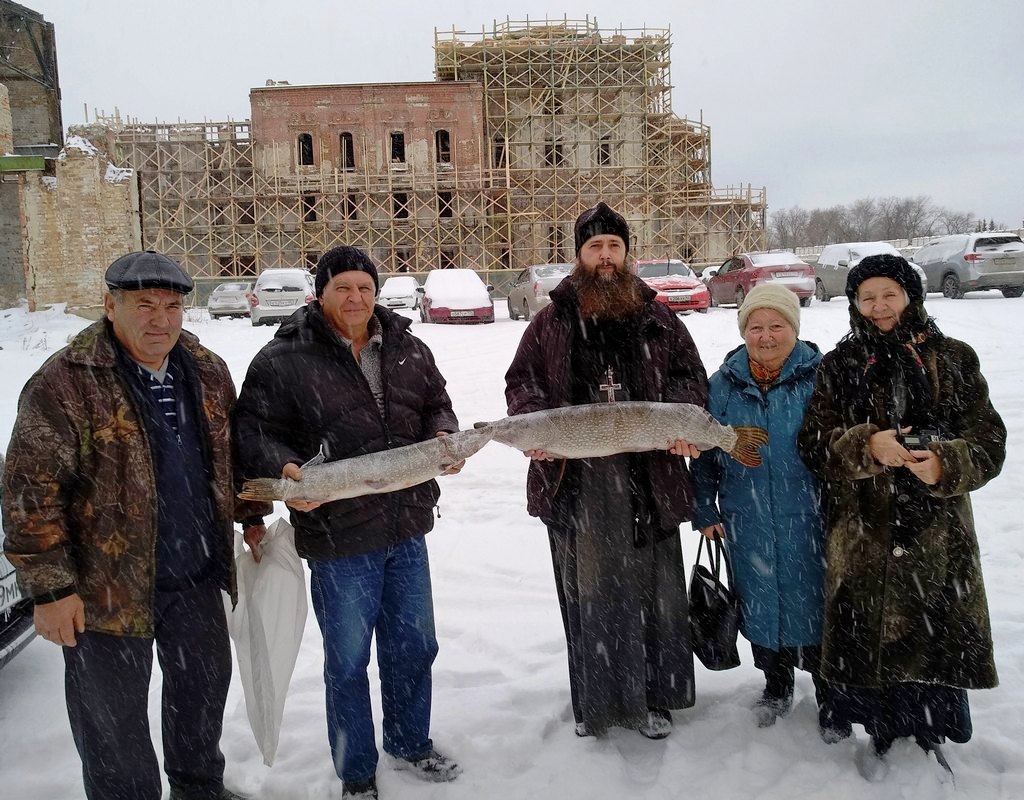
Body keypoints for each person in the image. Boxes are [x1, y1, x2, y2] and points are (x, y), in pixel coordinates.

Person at [1, 251, 271, 800]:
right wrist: (50, 590)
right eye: (144, 305)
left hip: (195, 574)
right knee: (113, 726)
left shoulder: (206, 369)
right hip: (104, 590)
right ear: (110, 305)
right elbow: (31, 493)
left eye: (171, 306)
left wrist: (251, 515)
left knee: (200, 698)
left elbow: (224, 458)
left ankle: (199, 790)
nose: (160, 319)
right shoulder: (66, 381)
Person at [233, 246, 462, 800]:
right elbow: (253, 434)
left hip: (406, 523)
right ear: (321, 293)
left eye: (364, 286)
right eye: (343, 288)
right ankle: (356, 771)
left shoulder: (408, 347)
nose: (356, 298)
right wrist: (284, 471)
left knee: (414, 645)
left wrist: (442, 436)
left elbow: (437, 403)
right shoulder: (284, 358)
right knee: (348, 660)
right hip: (338, 535)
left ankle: (409, 742)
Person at [504, 202, 709, 739]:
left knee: (654, 592)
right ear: (578, 256)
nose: (605, 256)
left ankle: (657, 698)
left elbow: (691, 378)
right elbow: (521, 384)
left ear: (626, 252)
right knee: (591, 594)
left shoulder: (658, 317)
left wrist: (679, 419)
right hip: (577, 481)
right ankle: (598, 703)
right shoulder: (553, 319)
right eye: (594, 247)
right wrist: (535, 432)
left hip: (649, 474)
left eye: (613, 246)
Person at [797, 254, 1005, 779]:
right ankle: (881, 731)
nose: (878, 306)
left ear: (910, 296)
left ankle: (931, 730)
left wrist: (945, 463)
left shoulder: (953, 359)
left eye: (889, 294)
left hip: (938, 532)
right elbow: (813, 445)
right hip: (862, 532)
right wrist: (869, 447)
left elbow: (989, 440)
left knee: (935, 633)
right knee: (869, 633)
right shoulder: (839, 366)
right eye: (867, 296)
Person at [690, 284, 849, 740]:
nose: (766, 335)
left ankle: (830, 697)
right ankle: (776, 686)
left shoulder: (823, 377)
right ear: (744, 331)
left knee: (816, 604)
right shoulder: (723, 385)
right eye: (755, 326)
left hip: (812, 516)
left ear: (794, 329)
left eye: (776, 325)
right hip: (746, 517)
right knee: (760, 602)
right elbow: (703, 455)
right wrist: (704, 506)